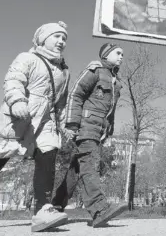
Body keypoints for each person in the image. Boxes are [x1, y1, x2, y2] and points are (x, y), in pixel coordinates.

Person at [0, 21, 75, 232]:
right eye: (56, 36)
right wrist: (17, 101)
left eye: (64, 39)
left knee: (48, 156)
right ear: (42, 38)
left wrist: (63, 125)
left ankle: (42, 210)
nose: (61, 41)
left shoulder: (65, 71)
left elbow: (61, 102)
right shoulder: (27, 58)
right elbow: (13, 80)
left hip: (45, 122)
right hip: (18, 119)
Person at [51, 42, 127, 228]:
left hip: (97, 131)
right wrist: (71, 123)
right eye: (117, 53)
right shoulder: (95, 71)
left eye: (123, 54)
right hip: (85, 127)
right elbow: (76, 95)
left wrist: (109, 129)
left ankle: (54, 206)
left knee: (77, 169)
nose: (121, 56)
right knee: (90, 165)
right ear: (106, 54)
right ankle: (99, 210)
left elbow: (111, 110)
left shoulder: (115, 81)